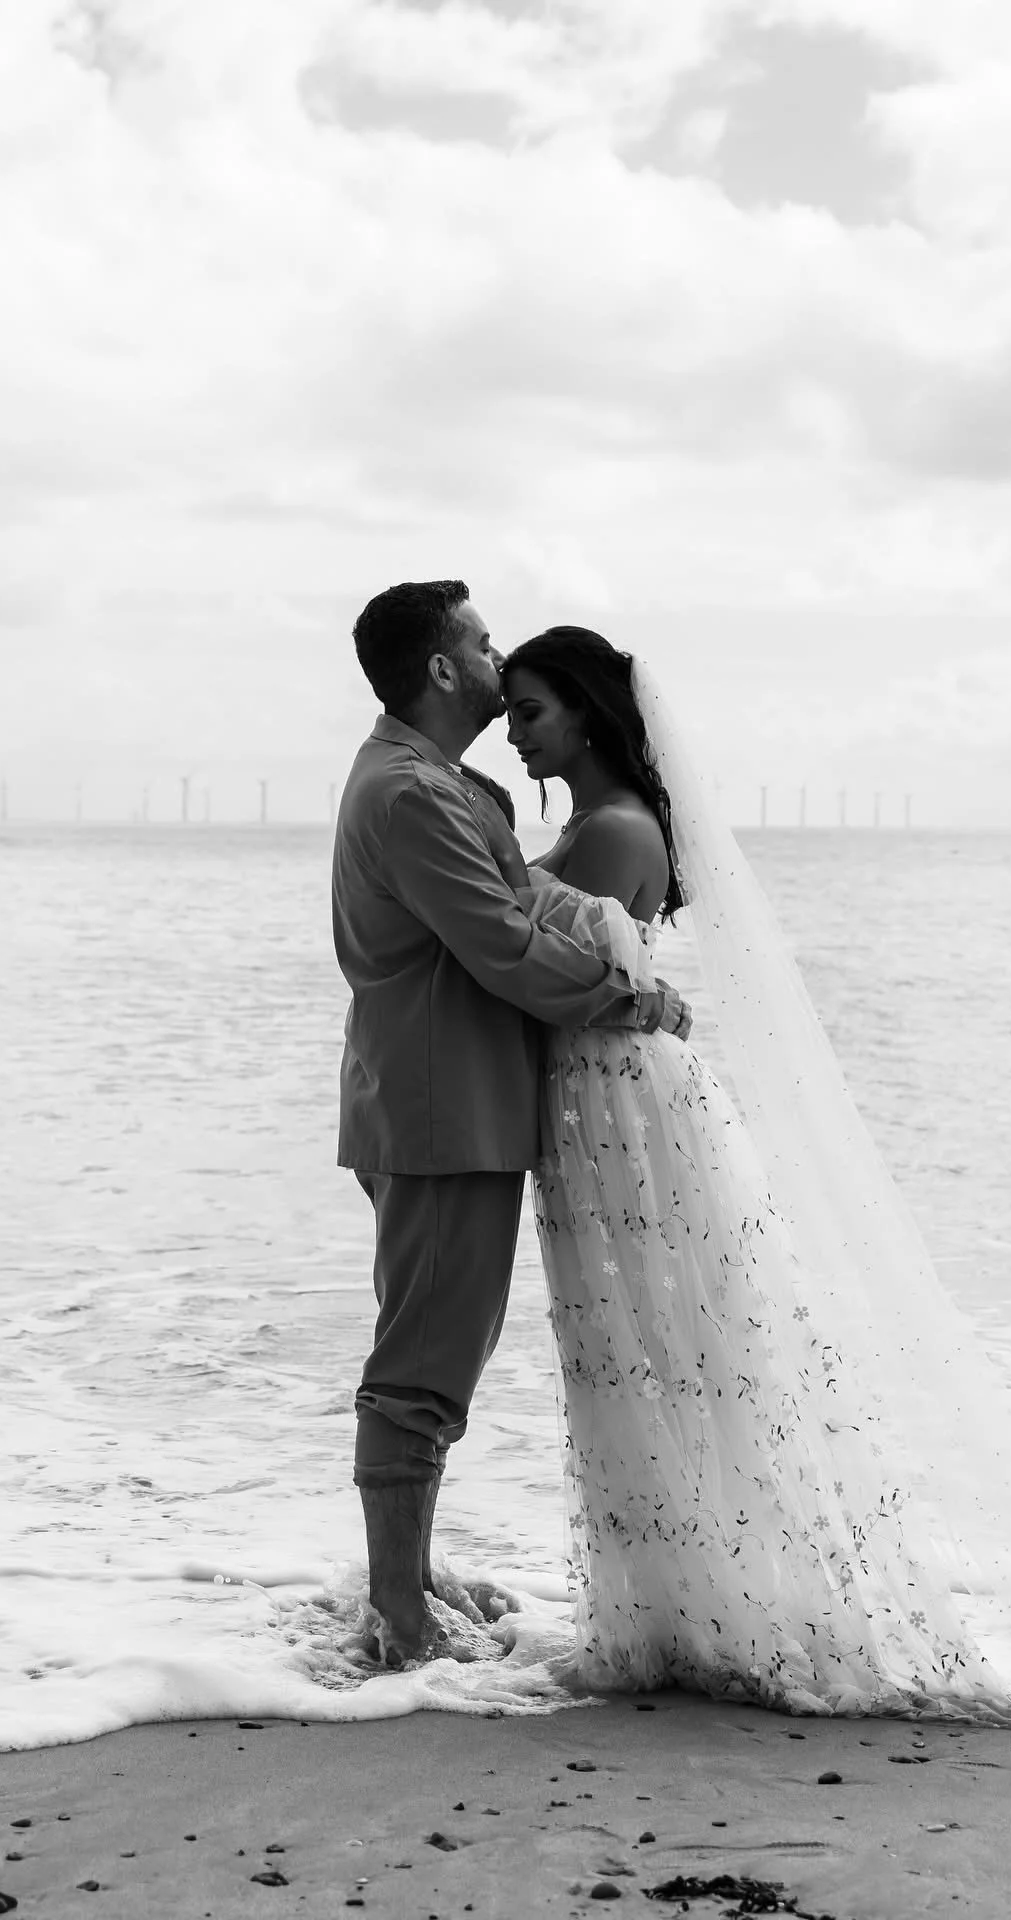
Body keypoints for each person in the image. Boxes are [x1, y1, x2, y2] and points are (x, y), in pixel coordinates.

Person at [500, 627, 1011, 1735]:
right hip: (604, 1103)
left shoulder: (608, 831)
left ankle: (699, 1617)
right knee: (642, 1353)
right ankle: (686, 1610)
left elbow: (543, 974)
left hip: (617, 1107)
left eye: (531, 711)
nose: (513, 733)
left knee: (653, 1352)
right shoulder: (607, 824)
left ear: (589, 713)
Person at [332, 582, 690, 1667]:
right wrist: (632, 999)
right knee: (424, 1365)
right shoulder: (414, 793)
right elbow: (503, 943)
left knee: (439, 1346)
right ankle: (397, 1616)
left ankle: (408, 1577)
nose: (499, 659)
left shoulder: (437, 781)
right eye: (484, 645)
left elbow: (515, 914)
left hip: (446, 1097)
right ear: (444, 669)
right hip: (444, 1108)